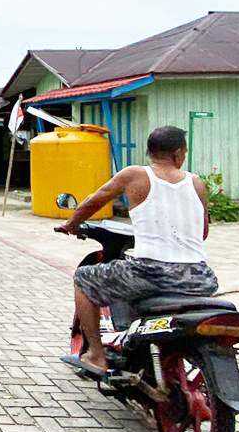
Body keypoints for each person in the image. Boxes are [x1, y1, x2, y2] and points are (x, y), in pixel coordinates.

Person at [54, 125, 218, 375]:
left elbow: (94, 200)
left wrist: (70, 224)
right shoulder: (196, 183)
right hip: (200, 276)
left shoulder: (135, 175)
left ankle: (96, 355)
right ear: (178, 154)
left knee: (83, 279)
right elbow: (203, 232)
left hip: (150, 273)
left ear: (150, 152)